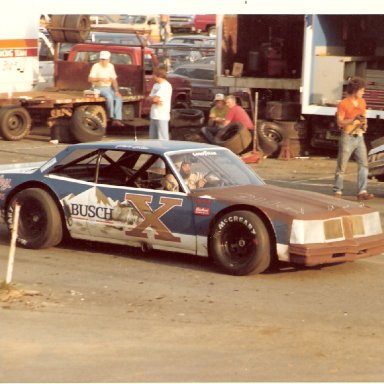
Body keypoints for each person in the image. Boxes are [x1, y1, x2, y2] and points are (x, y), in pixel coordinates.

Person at [333, 76, 374, 201]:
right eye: (362, 90)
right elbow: (340, 122)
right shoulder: (343, 104)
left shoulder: (362, 102)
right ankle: (338, 191)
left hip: (359, 136)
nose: (363, 92)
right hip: (347, 137)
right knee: (342, 165)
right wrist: (353, 119)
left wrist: (365, 123)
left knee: (364, 164)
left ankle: (362, 191)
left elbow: (363, 116)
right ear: (355, 90)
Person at [88, 50, 124, 127]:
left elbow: (114, 79)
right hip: (97, 87)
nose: (103, 61)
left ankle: (117, 119)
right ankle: (110, 116)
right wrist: (100, 79)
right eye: (102, 59)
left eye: (104, 59)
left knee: (118, 97)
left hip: (108, 87)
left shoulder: (111, 66)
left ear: (108, 59)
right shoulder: (96, 66)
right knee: (109, 97)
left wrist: (116, 91)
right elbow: (90, 79)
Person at [148, 65, 173, 140]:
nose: (152, 76)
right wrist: (153, 99)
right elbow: (149, 98)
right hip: (153, 115)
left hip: (162, 116)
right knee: (152, 139)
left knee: (163, 139)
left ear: (157, 75)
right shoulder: (156, 85)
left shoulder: (165, 86)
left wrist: (153, 99)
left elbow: (154, 99)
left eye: (154, 75)